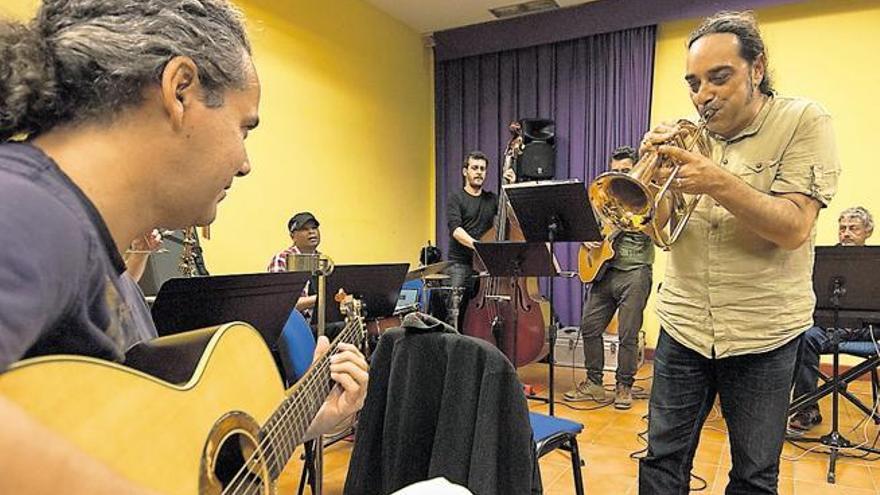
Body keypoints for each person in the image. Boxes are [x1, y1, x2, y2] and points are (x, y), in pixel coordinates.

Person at [0, 2, 367, 494]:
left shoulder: (109, 276)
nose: (244, 164)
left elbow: (157, 450)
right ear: (180, 90)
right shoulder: (28, 204)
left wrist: (299, 422)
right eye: (243, 127)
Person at [637, 11, 840, 494]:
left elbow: (793, 228)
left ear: (757, 68)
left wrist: (717, 181)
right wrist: (648, 176)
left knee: (753, 473)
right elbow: (658, 225)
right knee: (661, 460)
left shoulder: (803, 120)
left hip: (763, 334)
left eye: (719, 77)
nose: (703, 94)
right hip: (683, 324)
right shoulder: (691, 133)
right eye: (693, 82)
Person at [565, 146, 653, 410]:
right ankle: (594, 383)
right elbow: (588, 229)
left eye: (625, 171)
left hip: (635, 272)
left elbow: (659, 232)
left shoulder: (649, 199)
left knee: (627, 334)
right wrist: (587, 239)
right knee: (589, 327)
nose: (620, 176)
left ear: (636, 170)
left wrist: (638, 211)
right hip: (604, 272)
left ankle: (624, 385)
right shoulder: (604, 200)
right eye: (615, 172)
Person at [789, 207, 876, 432]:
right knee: (805, 336)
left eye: (853, 228)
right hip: (829, 329)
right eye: (842, 228)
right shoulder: (825, 260)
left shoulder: (876, 262)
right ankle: (807, 409)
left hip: (869, 330)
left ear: (868, 231)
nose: (846, 233)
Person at [268, 211, 322, 319]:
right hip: (295, 325)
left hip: (321, 321)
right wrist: (321, 299)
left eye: (314, 228)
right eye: (304, 229)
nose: (311, 232)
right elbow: (280, 304)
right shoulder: (283, 259)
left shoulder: (323, 261)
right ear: (293, 236)